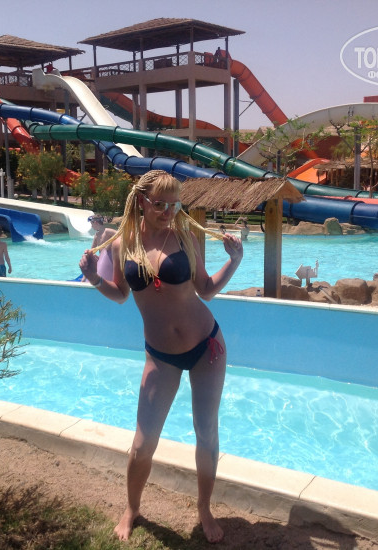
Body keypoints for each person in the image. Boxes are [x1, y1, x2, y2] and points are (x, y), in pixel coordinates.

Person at [79, 170, 243, 543]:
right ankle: (132, 508)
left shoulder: (186, 236)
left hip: (206, 346)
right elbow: (120, 294)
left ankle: (204, 508)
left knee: (206, 431)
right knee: (143, 443)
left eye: (174, 204)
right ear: (141, 201)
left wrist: (234, 261)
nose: (168, 212)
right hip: (160, 355)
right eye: (159, 204)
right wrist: (94, 279)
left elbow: (206, 290)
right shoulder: (122, 244)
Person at [88, 215, 116, 282]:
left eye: (91, 224)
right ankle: (85, 279)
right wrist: (89, 254)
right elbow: (92, 249)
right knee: (89, 259)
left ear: (95, 223)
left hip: (111, 259)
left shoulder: (107, 231)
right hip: (102, 258)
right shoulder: (96, 235)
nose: (91, 226)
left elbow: (120, 235)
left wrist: (110, 244)